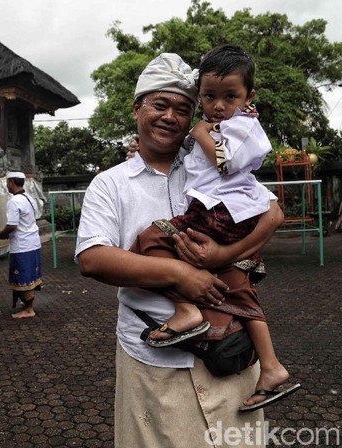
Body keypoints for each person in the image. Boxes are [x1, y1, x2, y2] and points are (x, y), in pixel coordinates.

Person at [75, 53, 284, 448]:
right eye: (159, 104)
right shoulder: (111, 184)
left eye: (182, 109)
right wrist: (181, 275)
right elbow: (92, 258)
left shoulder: (209, 164)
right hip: (152, 360)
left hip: (230, 352)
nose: (170, 116)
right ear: (137, 107)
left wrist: (222, 258)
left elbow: (272, 214)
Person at [129, 45, 297, 411]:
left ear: (249, 97)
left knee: (151, 238)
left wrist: (201, 130)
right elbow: (192, 162)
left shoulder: (242, 128)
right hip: (229, 213)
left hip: (221, 213)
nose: (218, 106)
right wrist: (138, 151)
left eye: (229, 97)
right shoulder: (228, 124)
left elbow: (222, 164)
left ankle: (186, 309)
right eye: (209, 97)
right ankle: (271, 367)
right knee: (238, 290)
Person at [0, 171, 42, 318]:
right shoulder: (29, 197)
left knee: (22, 276)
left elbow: (12, 225)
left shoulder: (14, 201)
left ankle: (29, 309)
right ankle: (27, 305)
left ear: (11, 182)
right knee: (30, 275)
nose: (6, 185)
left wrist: (0, 234)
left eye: (7, 182)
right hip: (33, 242)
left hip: (22, 245)